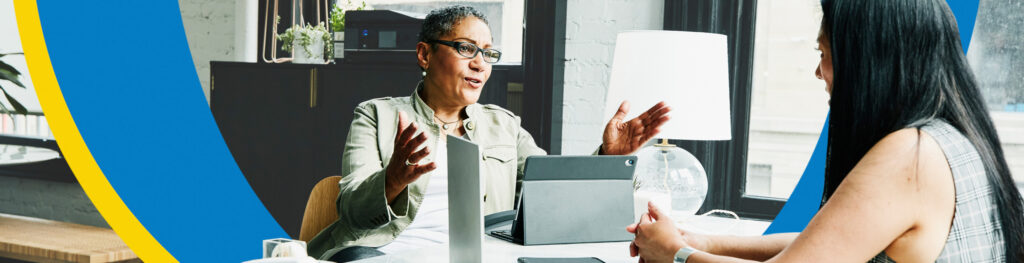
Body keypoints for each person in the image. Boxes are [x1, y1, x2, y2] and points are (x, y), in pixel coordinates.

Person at [627, 0, 1024, 262]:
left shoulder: (911, 156)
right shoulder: (953, 139)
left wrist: (675, 253)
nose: (819, 72)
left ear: (870, 60)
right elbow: (828, 243)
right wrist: (703, 241)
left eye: (824, 54)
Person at [307, 5, 672, 261]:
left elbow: (551, 193)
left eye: (487, 53)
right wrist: (393, 179)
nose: (480, 63)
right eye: (466, 48)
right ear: (424, 54)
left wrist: (609, 157)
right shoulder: (376, 115)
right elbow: (352, 210)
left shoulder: (504, 124)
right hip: (383, 252)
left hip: (483, 256)